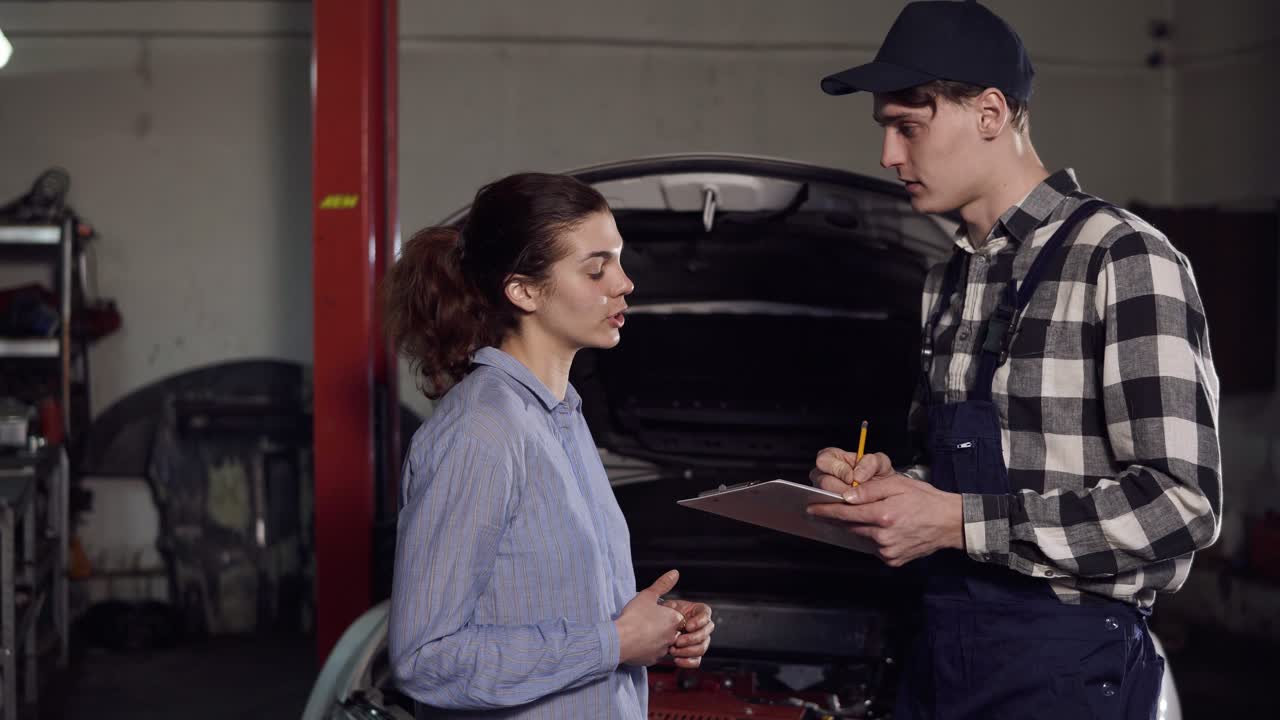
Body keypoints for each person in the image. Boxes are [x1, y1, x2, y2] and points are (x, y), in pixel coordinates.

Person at [805, 2, 1221, 718]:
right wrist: (887, 489)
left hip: (1068, 670)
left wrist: (958, 522)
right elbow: (957, 480)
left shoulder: (1122, 257)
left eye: (908, 127)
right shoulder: (948, 279)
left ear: (991, 114)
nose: (888, 156)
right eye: (884, 130)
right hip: (942, 654)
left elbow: (1180, 506)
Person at [384, 172, 715, 718]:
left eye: (619, 260)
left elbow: (558, 608)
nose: (625, 283)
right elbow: (425, 659)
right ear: (524, 291)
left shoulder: (563, 418)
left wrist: (654, 626)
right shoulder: (481, 433)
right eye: (596, 268)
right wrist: (613, 642)